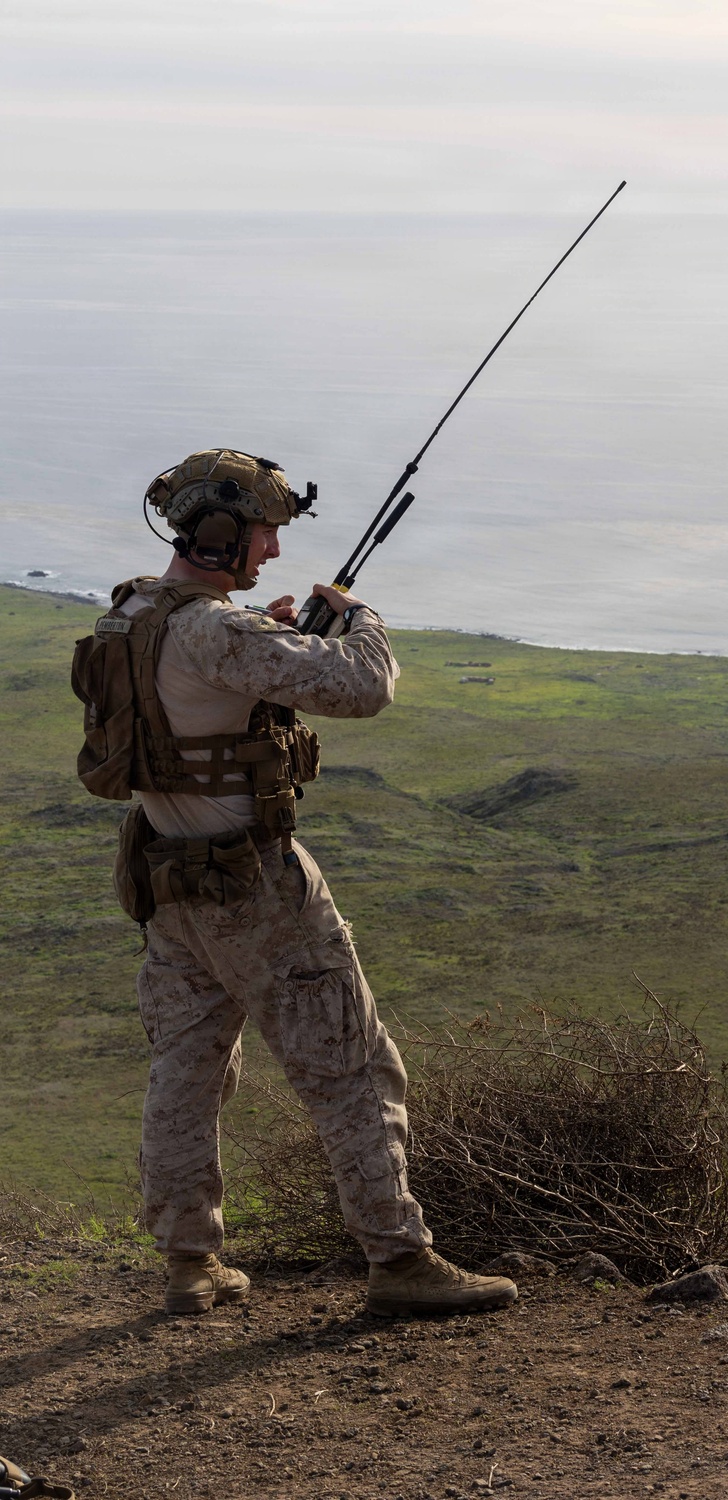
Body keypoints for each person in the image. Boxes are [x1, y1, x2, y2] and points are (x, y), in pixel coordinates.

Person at [73, 448, 517, 1319]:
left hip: (170, 883)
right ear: (218, 532)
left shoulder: (131, 615)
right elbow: (362, 687)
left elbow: (197, 688)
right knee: (352, 1066)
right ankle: (400, 1259)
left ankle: (189, 1262)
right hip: (257, 889)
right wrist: (359, 619)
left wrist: (264, 632)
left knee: (186, 1074)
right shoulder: (219, 634)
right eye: (263, 532)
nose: (272, 549)